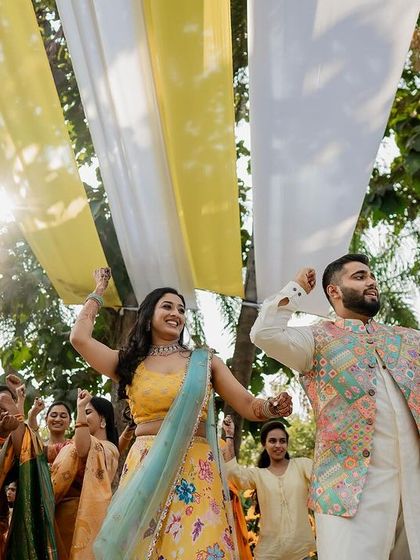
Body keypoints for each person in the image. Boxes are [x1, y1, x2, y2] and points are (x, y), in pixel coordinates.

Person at [69, 268, 293, 559]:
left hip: (196, 470)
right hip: (147, 469)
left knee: (200, 547)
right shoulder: (128, 363)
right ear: (148, 315)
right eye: (167, 306)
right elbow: (79, 338)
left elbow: (249, 405)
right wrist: (98, 291)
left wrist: (272, 407)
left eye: (181, 309)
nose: (176, 313)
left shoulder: (204, 362)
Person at [250, 254, 420, 560]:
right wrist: (297, 289)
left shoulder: (406, 340)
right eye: (359, 276)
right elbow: (264, 334)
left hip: (414, 487)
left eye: (371, 276)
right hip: (349, 489)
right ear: (333, 291)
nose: (371, 281)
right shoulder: (316, 338)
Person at [222, 416, 315, 560]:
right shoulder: (259, 475)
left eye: (282, 441)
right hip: (268, 554)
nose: (278, 445)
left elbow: (323, 478)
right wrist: (229, 435)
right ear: (264, 444)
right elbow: (234, 474)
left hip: (300, 553)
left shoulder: (302, 466)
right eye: (272, 441)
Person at [51, 389, 119, 560]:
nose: (82, 415)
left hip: (81, 519)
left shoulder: (108, 448)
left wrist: (80, 408)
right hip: (58, 517)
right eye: (83, 412)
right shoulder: (70, 445)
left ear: (102, 420)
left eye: (88, 412)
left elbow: (82, 450)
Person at [0, 377, 57, 559]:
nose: (3, 413)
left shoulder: (10, 443)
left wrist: (15, 406)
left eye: (5, 410)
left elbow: (25, 451)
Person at [29, 398, 73, 463]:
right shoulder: (40, 446)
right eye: (53, 415)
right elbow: (33, 432)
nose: (57, 419)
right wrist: (33, 414)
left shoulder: (73, 446)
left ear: (70, 421)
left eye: (63, 416)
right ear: (46, 420)